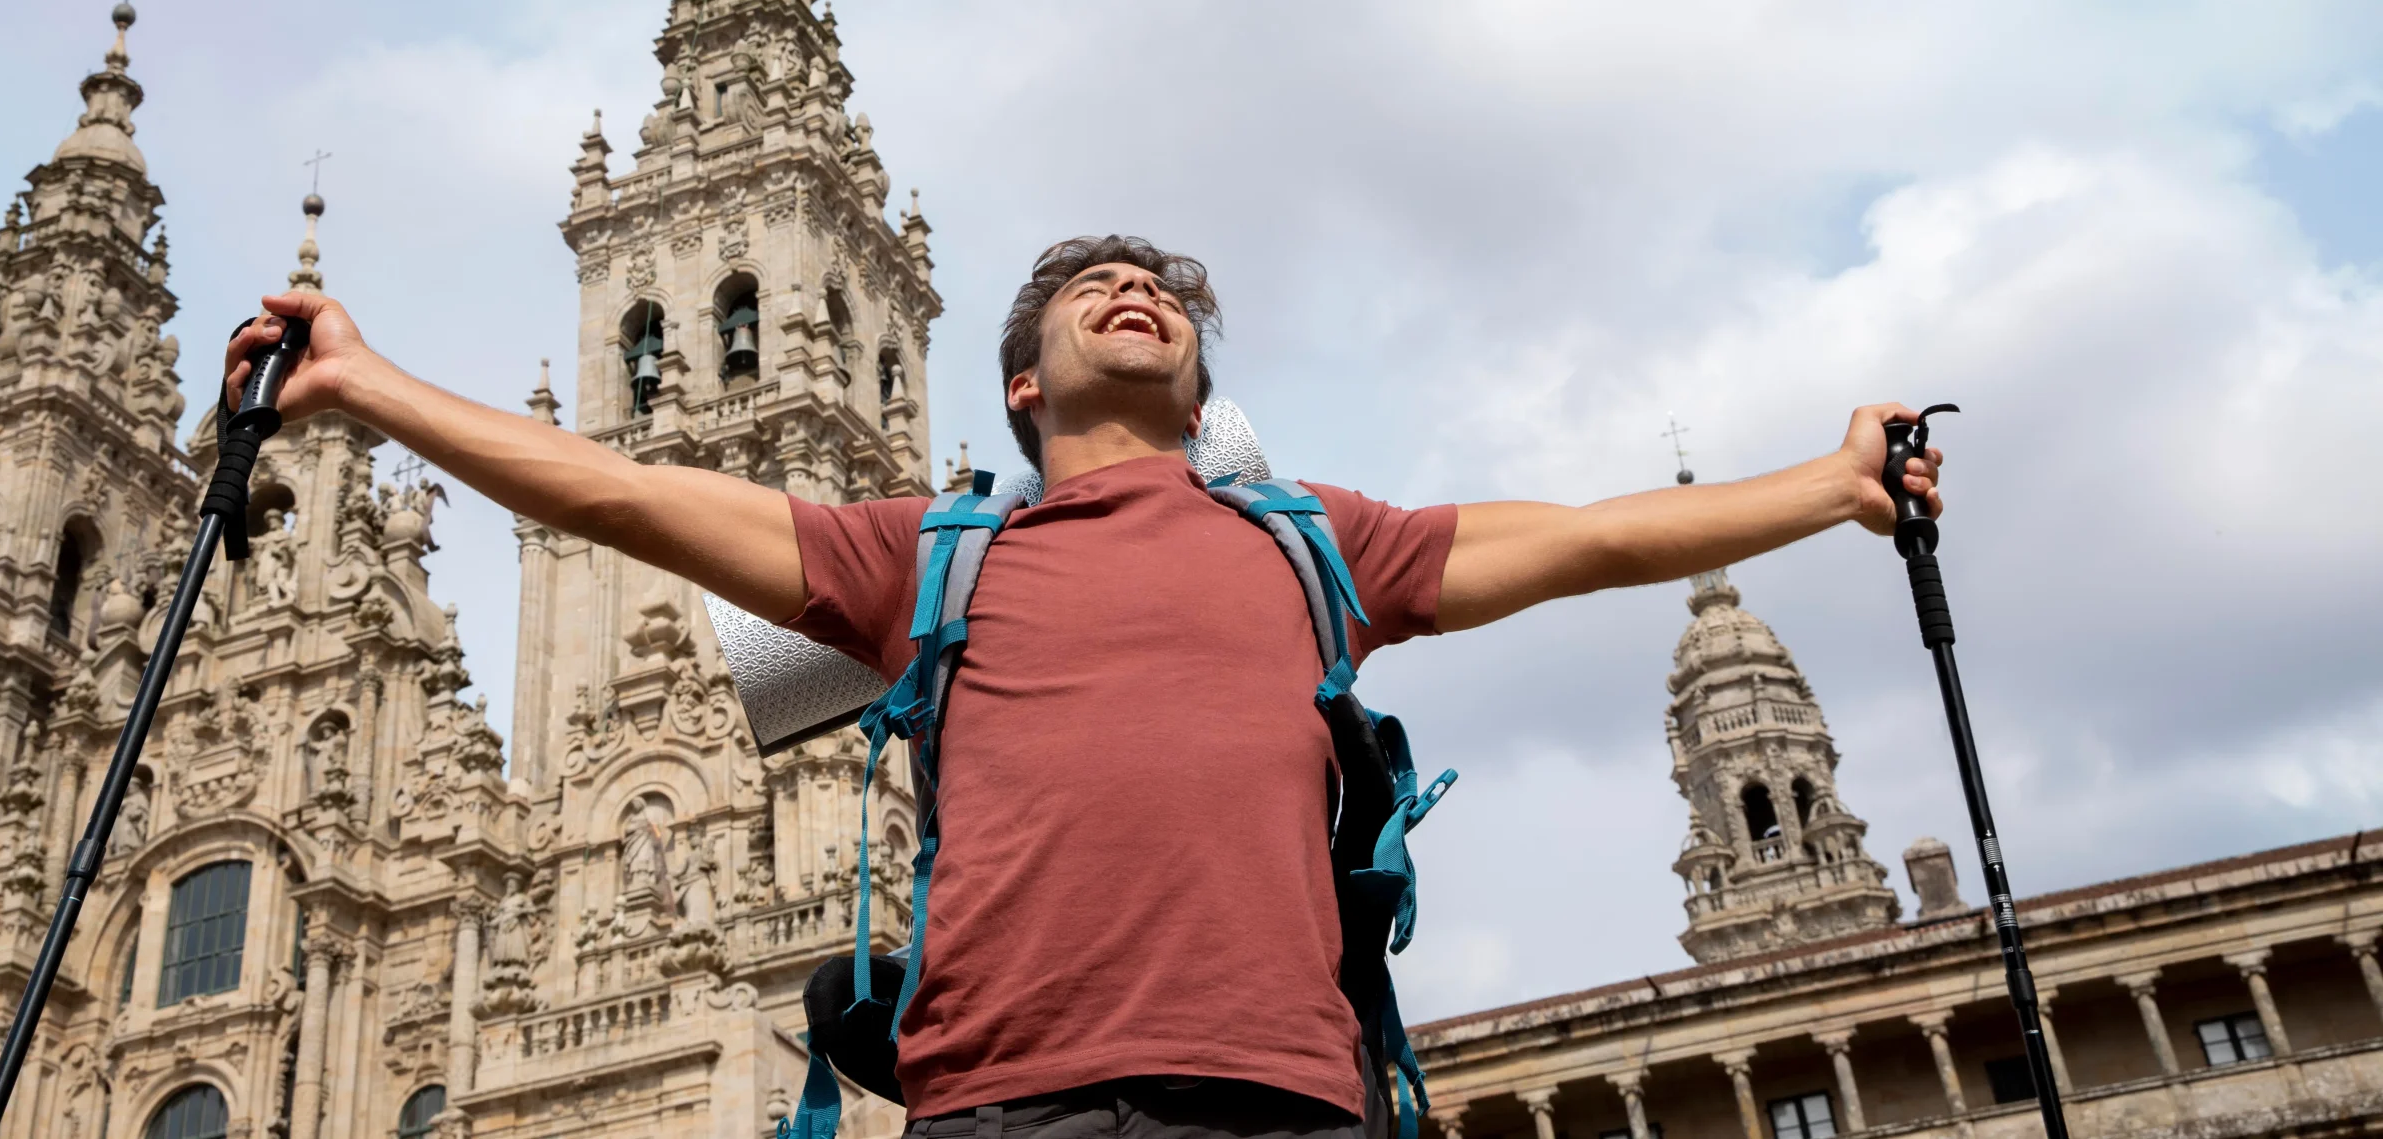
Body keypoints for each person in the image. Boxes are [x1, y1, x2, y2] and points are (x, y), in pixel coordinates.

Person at [226, 235, 1942, 1139]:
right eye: (1091, 291)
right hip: (1006, 1107)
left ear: (1201, 380)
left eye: (1171, 298)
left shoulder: (1313, 542)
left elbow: (1581, 539)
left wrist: (1831, 484)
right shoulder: (928, 557)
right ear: (1023, 381)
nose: (1139, 295)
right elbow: (617, 491)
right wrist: (370, 388)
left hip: (1287, 1092)